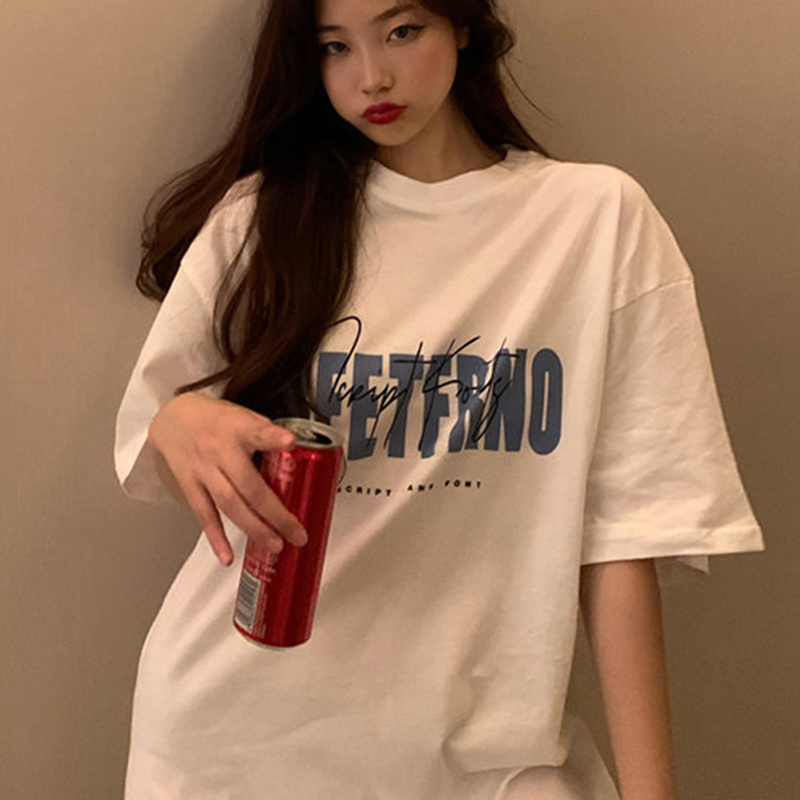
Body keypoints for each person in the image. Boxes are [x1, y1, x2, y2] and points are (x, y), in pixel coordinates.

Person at [114, 0, 765, 797]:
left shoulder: (594, 220)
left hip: (492, 753)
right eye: (334, 47)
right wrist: (181, 420)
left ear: (460, 24)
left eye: (401, 32)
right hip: (238, 742)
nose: (371, 78)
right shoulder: (264, 218)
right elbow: (156, 430)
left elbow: (624, 531)